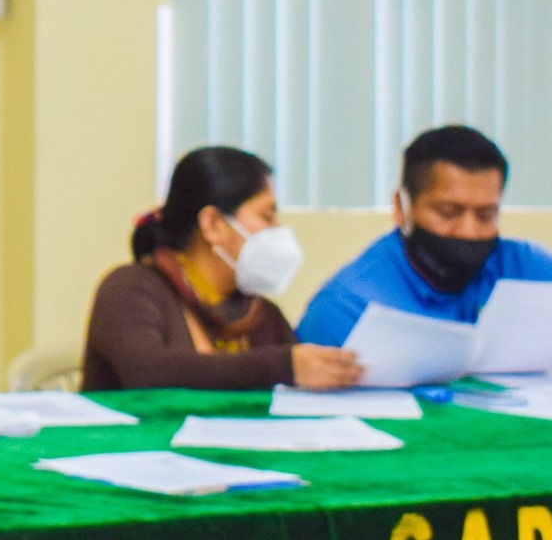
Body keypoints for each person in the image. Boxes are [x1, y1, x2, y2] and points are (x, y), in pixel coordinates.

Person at [297, 125, 552, 376]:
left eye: (486, 214)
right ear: (401, 208)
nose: (469, 232)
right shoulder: (346, 306)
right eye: (448, 212)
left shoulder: (529, 267)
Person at [81, 146, 363, 391]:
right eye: (267, 216)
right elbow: (148, 371)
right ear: (213, 225)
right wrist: (283, 366)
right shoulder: (130, 288)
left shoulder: (262, 315)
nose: (279, 230)